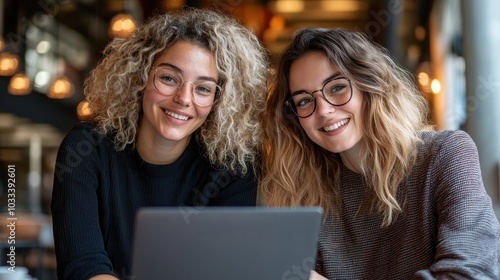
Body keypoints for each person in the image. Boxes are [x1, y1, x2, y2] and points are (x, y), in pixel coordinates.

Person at [261, 27, 500, 279]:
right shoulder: (302, 193)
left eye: (337, 87)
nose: (324, 110)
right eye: (304, 101)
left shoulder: (445, 154)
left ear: (370, 84)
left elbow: (470, 273)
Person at [51, 8, 269, 280]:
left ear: (219, 101)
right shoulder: (86, 149)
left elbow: (226, 270)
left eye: (203, 88)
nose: (184, 98)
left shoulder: (234, 166)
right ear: (140, 77)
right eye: (168, 78)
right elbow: (83, 268)